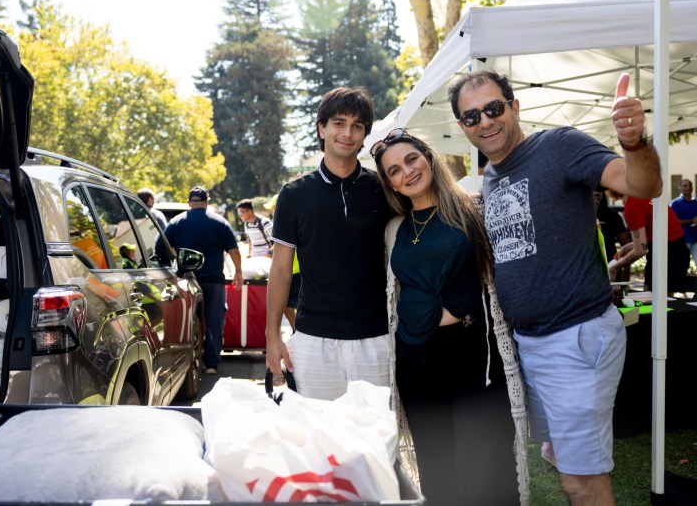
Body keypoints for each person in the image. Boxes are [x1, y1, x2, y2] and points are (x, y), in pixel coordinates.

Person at [448, 69, 662, 505]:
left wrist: (635, 142)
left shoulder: (559, 145)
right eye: (472, 117)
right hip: (529, 346)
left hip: (575, 338)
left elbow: (644, 184)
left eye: (494, 109)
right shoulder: (491, 175)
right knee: (556, 456)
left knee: (580, 483)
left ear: (514, 107)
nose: (485, 122)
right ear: (462, 127)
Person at [371, 129, 527, 504]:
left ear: (428, 156)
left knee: (486, 474)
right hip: (417, 366)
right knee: (439, 474)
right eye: (394, 170)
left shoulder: (475, 209)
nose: (406, 172)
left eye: (411, 159)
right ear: (390, 183)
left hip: (474, 363)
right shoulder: (395, 229)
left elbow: (506, 272)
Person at [265, 86, 392, 400]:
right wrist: (271, 337)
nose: (347, 133)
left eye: (357, 126)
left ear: (364, 135)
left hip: (376, 340)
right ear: (321, 128)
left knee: (375, 441)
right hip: (312, 341)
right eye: (338, 123)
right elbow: (280, 271)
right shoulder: (293, 195)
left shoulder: (384, 189)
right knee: (317, 442)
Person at [165, 186, 243, 375]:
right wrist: (239, 271)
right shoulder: (220, 222)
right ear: (207, 202)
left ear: (188, 202)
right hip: (214, 280)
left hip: (186, 281)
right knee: (214, 320)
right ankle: (211, 364)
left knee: (187, 320)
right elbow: (233, 250)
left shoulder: (176, 222)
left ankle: (186, 361)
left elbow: (162, 247)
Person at [609, 194, 690, 294]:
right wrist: (631, 246)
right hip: (675, 248)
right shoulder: (648, 195)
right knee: (654, 298)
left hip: (668, 253)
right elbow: (656, 235)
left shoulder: (632, 206)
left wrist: (615, 266)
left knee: (655, 301)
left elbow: (640, 250)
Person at [264, 193, 299, 333]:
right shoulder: (288, 220)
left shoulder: (290, 220)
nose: (271, 211)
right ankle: (297, 330)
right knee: (287, 305)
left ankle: (297, 330)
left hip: (295, 270)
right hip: (292, 270)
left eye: (273, 208)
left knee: (286, 304)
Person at [670, 178, 697, 266]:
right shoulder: (675, 203)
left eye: (690, 185)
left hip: (695, 239)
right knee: (682, 265)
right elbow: (672, 222)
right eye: (685, 186)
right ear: (680, 187)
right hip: (682, 240)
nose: (688, 187)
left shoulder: (696, 202)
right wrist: (691, 221)